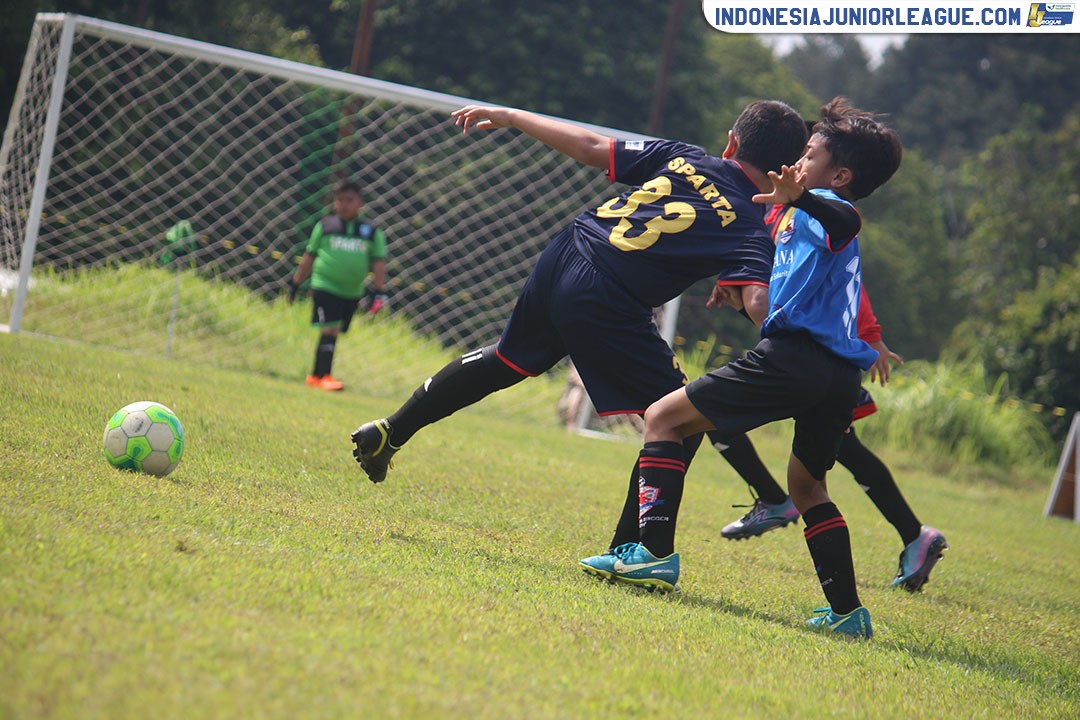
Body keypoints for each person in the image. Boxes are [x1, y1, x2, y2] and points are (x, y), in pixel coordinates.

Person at [350, 100, 809, 509]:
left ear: (731, 143)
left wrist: (512, 116)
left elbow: (591, 146)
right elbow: (757, 302)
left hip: (570, 249)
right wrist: (803, 339)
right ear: (786, 171)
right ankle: (633, 548)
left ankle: (391, 429)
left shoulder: (686, 155)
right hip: (607, 291)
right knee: (680, 420)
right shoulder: (751, 225)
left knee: (505, 360)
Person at [580, 98, 903, 639]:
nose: (797, 161)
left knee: (662, 418)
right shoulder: (799, 213)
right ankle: (849, 614)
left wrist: (805, 198)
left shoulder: (825, 207)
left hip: (797, 360)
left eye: (809, 153)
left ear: (839, 174)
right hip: (836, 377)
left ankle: (651, 553)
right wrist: (749, 291)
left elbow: (846, 219)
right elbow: (792, 286)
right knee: (808, 486)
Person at [716, 279, 948, 593]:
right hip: (817, 359)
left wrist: (872, 335)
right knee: (845, 449)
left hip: (804, 361)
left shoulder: (785, 228)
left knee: (709, 412)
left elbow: (846, 273)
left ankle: (773, 500)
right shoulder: (775, 233)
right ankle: (914, 535)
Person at [289, 179, 388, 392]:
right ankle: (322, 375)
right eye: (339, 200)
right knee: (329, 329)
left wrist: (378, 291)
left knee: (335, 330)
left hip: (352, 291)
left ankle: (317, 376)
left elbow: (378, 261)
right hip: (325, 285)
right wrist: (296, 282)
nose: (343, 204)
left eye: (349, 200)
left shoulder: (371, 231)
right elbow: (309, 255)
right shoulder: (325, 226)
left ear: (360, 202)